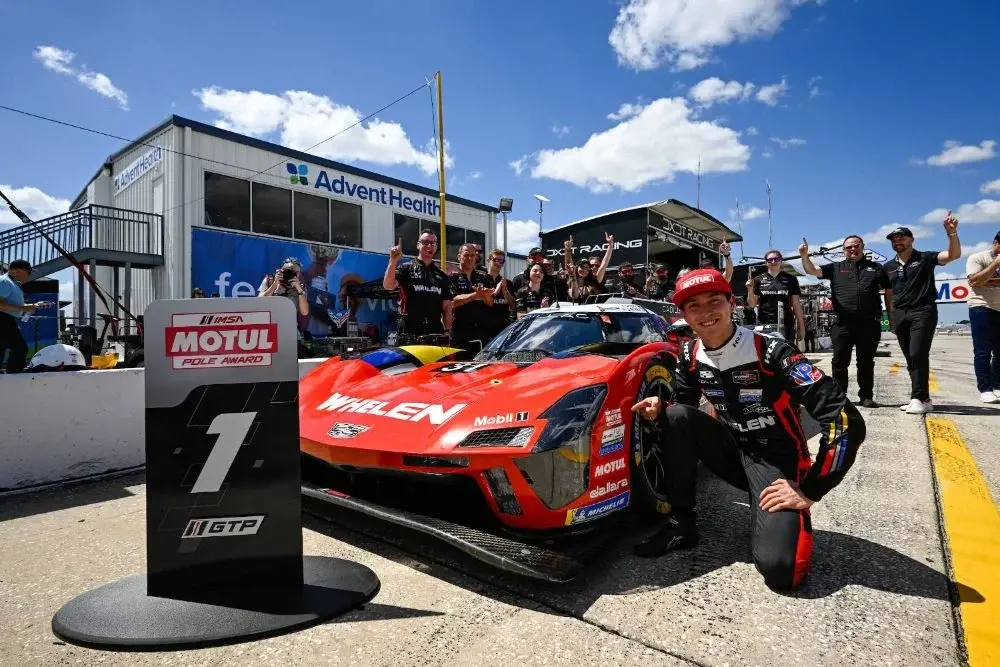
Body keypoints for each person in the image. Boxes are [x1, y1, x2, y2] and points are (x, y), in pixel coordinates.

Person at [630, 268, 866, 591]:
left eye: (714, 301)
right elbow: (681, 412)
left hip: (775, 459)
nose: (706, 313)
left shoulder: (772, 352)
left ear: (732, 304)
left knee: (782, 570)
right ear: (684, 314)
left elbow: (846, 421)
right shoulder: (688, 355)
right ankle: (680, 524)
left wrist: (809, 490)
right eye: (694, 306)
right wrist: (660, 409)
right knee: (676, 418)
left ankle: (786, 517)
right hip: (730, 448)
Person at [799, 235, 890, 407]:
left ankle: (866, 396)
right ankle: (840, 396)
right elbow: (812, 270)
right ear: (844, 250)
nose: (853, 249)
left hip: (869, 324)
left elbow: (889, 291)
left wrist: (891, 315)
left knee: (866, 361)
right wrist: (805, 255)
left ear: (863, 247)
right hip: (842, 324)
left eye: (856, 246)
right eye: (849, 247)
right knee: (839, 361)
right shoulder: (835, 268)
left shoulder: (877, 268)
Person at [883, 214, 961, 414]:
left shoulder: (925, 258)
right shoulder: (888, 267)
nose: (897, 241)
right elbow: (888, 294)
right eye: (894, 239)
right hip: (900, 314)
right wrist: (892, 319)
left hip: (923, 311)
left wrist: (951, 233)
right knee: (910, 358)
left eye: (901, 237)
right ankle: (923, 398)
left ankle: (917, 397)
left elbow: (953, 255)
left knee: (918, 353)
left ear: (911, 239)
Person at [383, 229, 454, 340]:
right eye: (425, 242)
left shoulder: (442, 276)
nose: (429, 246)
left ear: (436, 247)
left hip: (434, 330)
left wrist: (447, 331)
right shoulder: (406, 268)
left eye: (433, 243)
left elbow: (447, 307)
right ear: (418, 245)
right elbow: (388, 286)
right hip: (409, 329)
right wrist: (393, 261)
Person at [965, 230, 1000, 404]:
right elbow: (975, 281)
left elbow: (983, 280)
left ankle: (998, 386)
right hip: (981, 306)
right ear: (995, 243)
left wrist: (989, 280)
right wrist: (996, 263)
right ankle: (985, 389)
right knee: (983, 350)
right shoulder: (978, 258)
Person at [747, 249, 806, 343]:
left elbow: (796, 304)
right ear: (766, 263)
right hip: (765, 324)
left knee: (786, 354)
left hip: (786, 324)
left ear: (781, 260)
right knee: (766, 354)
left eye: (776, 259)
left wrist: (801, 326)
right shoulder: (758, 279)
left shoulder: (791, 279)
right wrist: (750, 290)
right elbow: (752, 305)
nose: (773, 261)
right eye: (770, 260)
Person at [449, 243, 495, 359]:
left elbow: (490, 302)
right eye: (466, 255)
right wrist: (475, 295)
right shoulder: (451, 277)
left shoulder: (483, 277)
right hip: (460, 332)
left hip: (482, 332)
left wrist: (485, 295)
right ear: (459, 256)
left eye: (472, 255)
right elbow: (452, 302)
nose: (470, 258)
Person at [0, 259, 38, 373]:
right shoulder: (5, 282)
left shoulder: (12, 284)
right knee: (20, 348)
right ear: (17, 271)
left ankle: (11, 377)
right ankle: (14, 375)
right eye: (28, 272)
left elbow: (11, 304)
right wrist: (23, 308)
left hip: (7, 319)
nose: (29, 276)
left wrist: (30, 306)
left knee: (2, 349)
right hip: (3, 319)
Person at [482, 248, 517, 342]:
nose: (499, 263)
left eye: (502, 261)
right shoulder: (481, 279)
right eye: (496, 260)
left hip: (503, 328)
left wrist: (505, 290)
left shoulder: (507, 282)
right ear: (488, 260)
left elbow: (513, 305)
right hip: (485, 327)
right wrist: (497, 290)